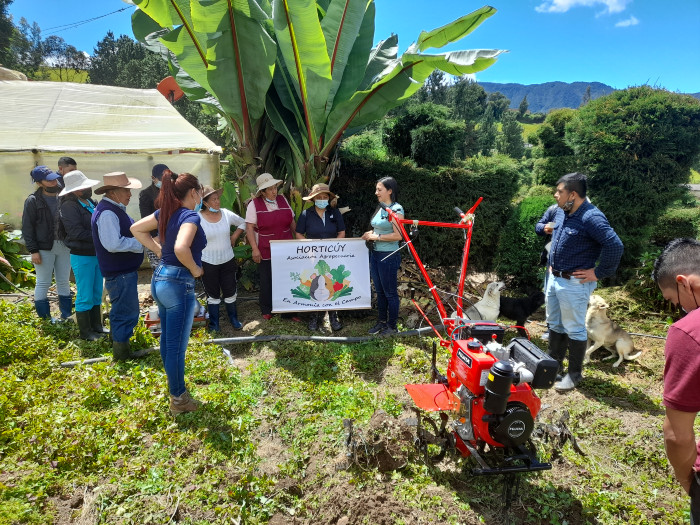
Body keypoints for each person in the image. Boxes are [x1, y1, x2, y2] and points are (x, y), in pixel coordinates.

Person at [535, 172, 623, 392]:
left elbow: (614, 245)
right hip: (555, 279)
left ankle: (574, 375)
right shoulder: (563, 212)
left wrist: (599, 272)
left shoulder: (591, 217)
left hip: (574, 284)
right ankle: (553, 368)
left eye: (560, 191)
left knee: (574, 329)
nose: (556, 195)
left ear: (572, 194)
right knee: (555, 325)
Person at [131, 172, 206, 415]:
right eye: (201, 191)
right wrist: (195, 269)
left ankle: (174, 389)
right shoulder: (190, 215)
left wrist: (158, 250)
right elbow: (181, 247)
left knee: (167, 340)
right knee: (176, 346)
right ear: (193, 192)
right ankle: (179, 399)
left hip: (160, 278)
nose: (202, 195)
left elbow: (136, 228)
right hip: (178, 282)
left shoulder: (166, 213)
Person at [653, 238, 700, 524]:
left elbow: (677, 435)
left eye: (673, 300)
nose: (679, 309)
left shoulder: (689, 332)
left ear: (684, 282)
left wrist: (689, 484)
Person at [91, 172, 144, 361]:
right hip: (119, 272)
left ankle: (118, 342)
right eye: (126, 190)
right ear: (113, 192)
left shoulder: (114, 209)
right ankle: (122, 354)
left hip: (121, 271)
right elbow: (113, 244)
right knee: (126, 311)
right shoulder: (107, 213)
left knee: (121, 309)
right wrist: (140, 243)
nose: (130, 194)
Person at [57, 170, 107, 340]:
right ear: (76, 190)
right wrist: (101, 237)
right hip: (82, 255)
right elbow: (75, 232)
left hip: (96, 253)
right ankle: (86, 332)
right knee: (85, 293)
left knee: (96, 291)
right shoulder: (69, 206)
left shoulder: (90, 202)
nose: (90, 189)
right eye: (86, 187)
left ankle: (97, 326)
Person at [245, 173, 300, 321]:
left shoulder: (283, 200)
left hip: (286, 247)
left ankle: (289, 311)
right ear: (262, 192)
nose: (274, 192)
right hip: (265, 249)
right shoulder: (254, 204)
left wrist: (300, 240)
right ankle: (267, 309)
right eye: (269, 189)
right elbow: (249, 228)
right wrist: (254, 249)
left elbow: (292, 222)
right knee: (267, 280)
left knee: (288, 278)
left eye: (275, 187)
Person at [21, 166, 72, 321]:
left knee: (63, 281)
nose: (53, 181)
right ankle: (45, 318)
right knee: (43, 282)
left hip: (64, 245)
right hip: (43, 248)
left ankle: (67, 316)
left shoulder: (64, 195)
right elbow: (27, 228)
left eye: (54, 178)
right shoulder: (33, 201)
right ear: (39, 183)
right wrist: (33, 250)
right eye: (48, 180)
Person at [295, 183, 346, 331]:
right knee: (314, 283)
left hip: (332, 255)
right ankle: (314, 316)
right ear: (313, 199)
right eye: (319, 197)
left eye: (325, 197)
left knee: (332, 282)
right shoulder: (306, 214)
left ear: (329, 199)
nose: (322, 199)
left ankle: (333, 316)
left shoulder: (334, 213)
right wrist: (310, 247)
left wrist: (334, 247)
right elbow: (299, 234)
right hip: (312, 257)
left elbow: (341, 232)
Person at [198, 185, 246, 331]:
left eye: (218, 198)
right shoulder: (198, 218)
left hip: (227, 260)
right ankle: (214, 324)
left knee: (230, 290)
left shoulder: (225, 214)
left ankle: (234, 319)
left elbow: (243, 222)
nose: (218, 202)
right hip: (208, 261)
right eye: (214, 199)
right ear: (205, 203)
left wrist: (234, 236)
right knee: (212, 294)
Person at [361, 177, 404, 336]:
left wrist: (376, 237)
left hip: (389, 255)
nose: (376, 192)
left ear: (390, 191)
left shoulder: (397, 209)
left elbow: (398, 235)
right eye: (376, 189)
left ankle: (392, 326)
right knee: (379, 291)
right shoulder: (381, 207)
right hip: (376, 254)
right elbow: (380, 229)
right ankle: (381, 322)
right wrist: (371, 233)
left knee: (390, 293)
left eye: (380, 189)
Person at [139, 164, 171, 269]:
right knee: (160, 269)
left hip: (170, 236)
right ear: (153, 178)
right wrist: (155, 238)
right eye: (162, 179)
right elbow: (145, 218)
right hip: (156, 238)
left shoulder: (171, 192)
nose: (165, 181)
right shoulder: (146, 195)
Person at [536, 203, 558, 341]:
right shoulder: (554, 209)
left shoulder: (587, 210)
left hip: (575, 266)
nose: (556, 195)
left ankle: (568, 334)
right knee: (550, 296)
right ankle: (551, 330)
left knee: (568, 300)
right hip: (552, 261)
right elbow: (538, 226)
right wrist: (544, 228)